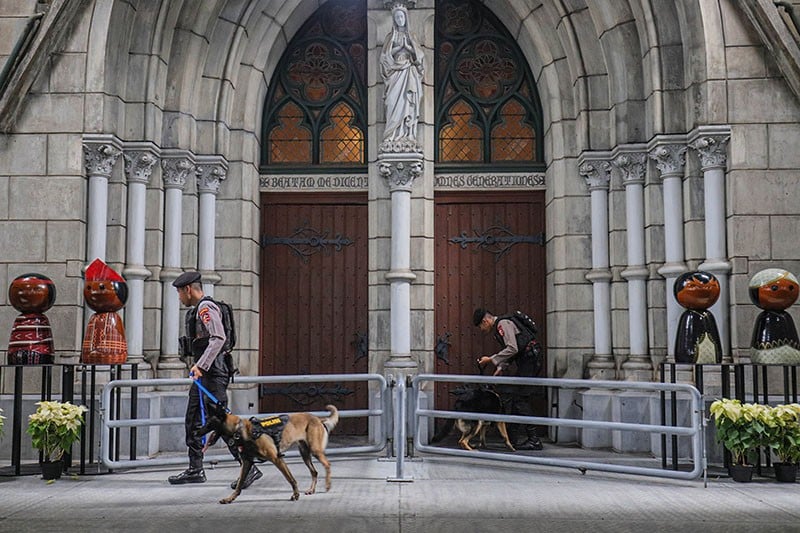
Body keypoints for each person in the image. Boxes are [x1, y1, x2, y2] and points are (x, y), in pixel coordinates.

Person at [167, 271, 262, 488]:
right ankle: (195, 469)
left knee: (224, 425)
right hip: (206, 376)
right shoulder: (199, 309)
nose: (179, 298)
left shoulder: (205, 308)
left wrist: (201, 365)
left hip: (213, 375)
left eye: (179, 293)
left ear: (188, 289)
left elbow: (219, 338)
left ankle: (249, 468)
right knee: (193, 420)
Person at [473, 307, 543, 451]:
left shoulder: (502, 324)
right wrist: (500, 368)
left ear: (485, 321)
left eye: (480, 326)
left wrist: (490, 360)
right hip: (528, 360)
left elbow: (512, 348)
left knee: (520, 399)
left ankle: (534, 440)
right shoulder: (502, 324)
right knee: (517, 398)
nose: (482, 329)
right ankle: (513, 439)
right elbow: (514, 351)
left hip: (529, 360)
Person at [380, 5, 424, 143]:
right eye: (397, 17)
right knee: (391, 102)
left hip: (408, 70)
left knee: (409, 102)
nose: (400, 19)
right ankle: (392, 134)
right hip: (394, 72)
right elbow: (384, 57)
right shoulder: (390, 37)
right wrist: (399, 47)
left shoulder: (412, 36)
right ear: (394, 20)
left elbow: (419, 56)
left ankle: (408, 133)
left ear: (406, 18)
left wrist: (408, 47)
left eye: (401, 16)